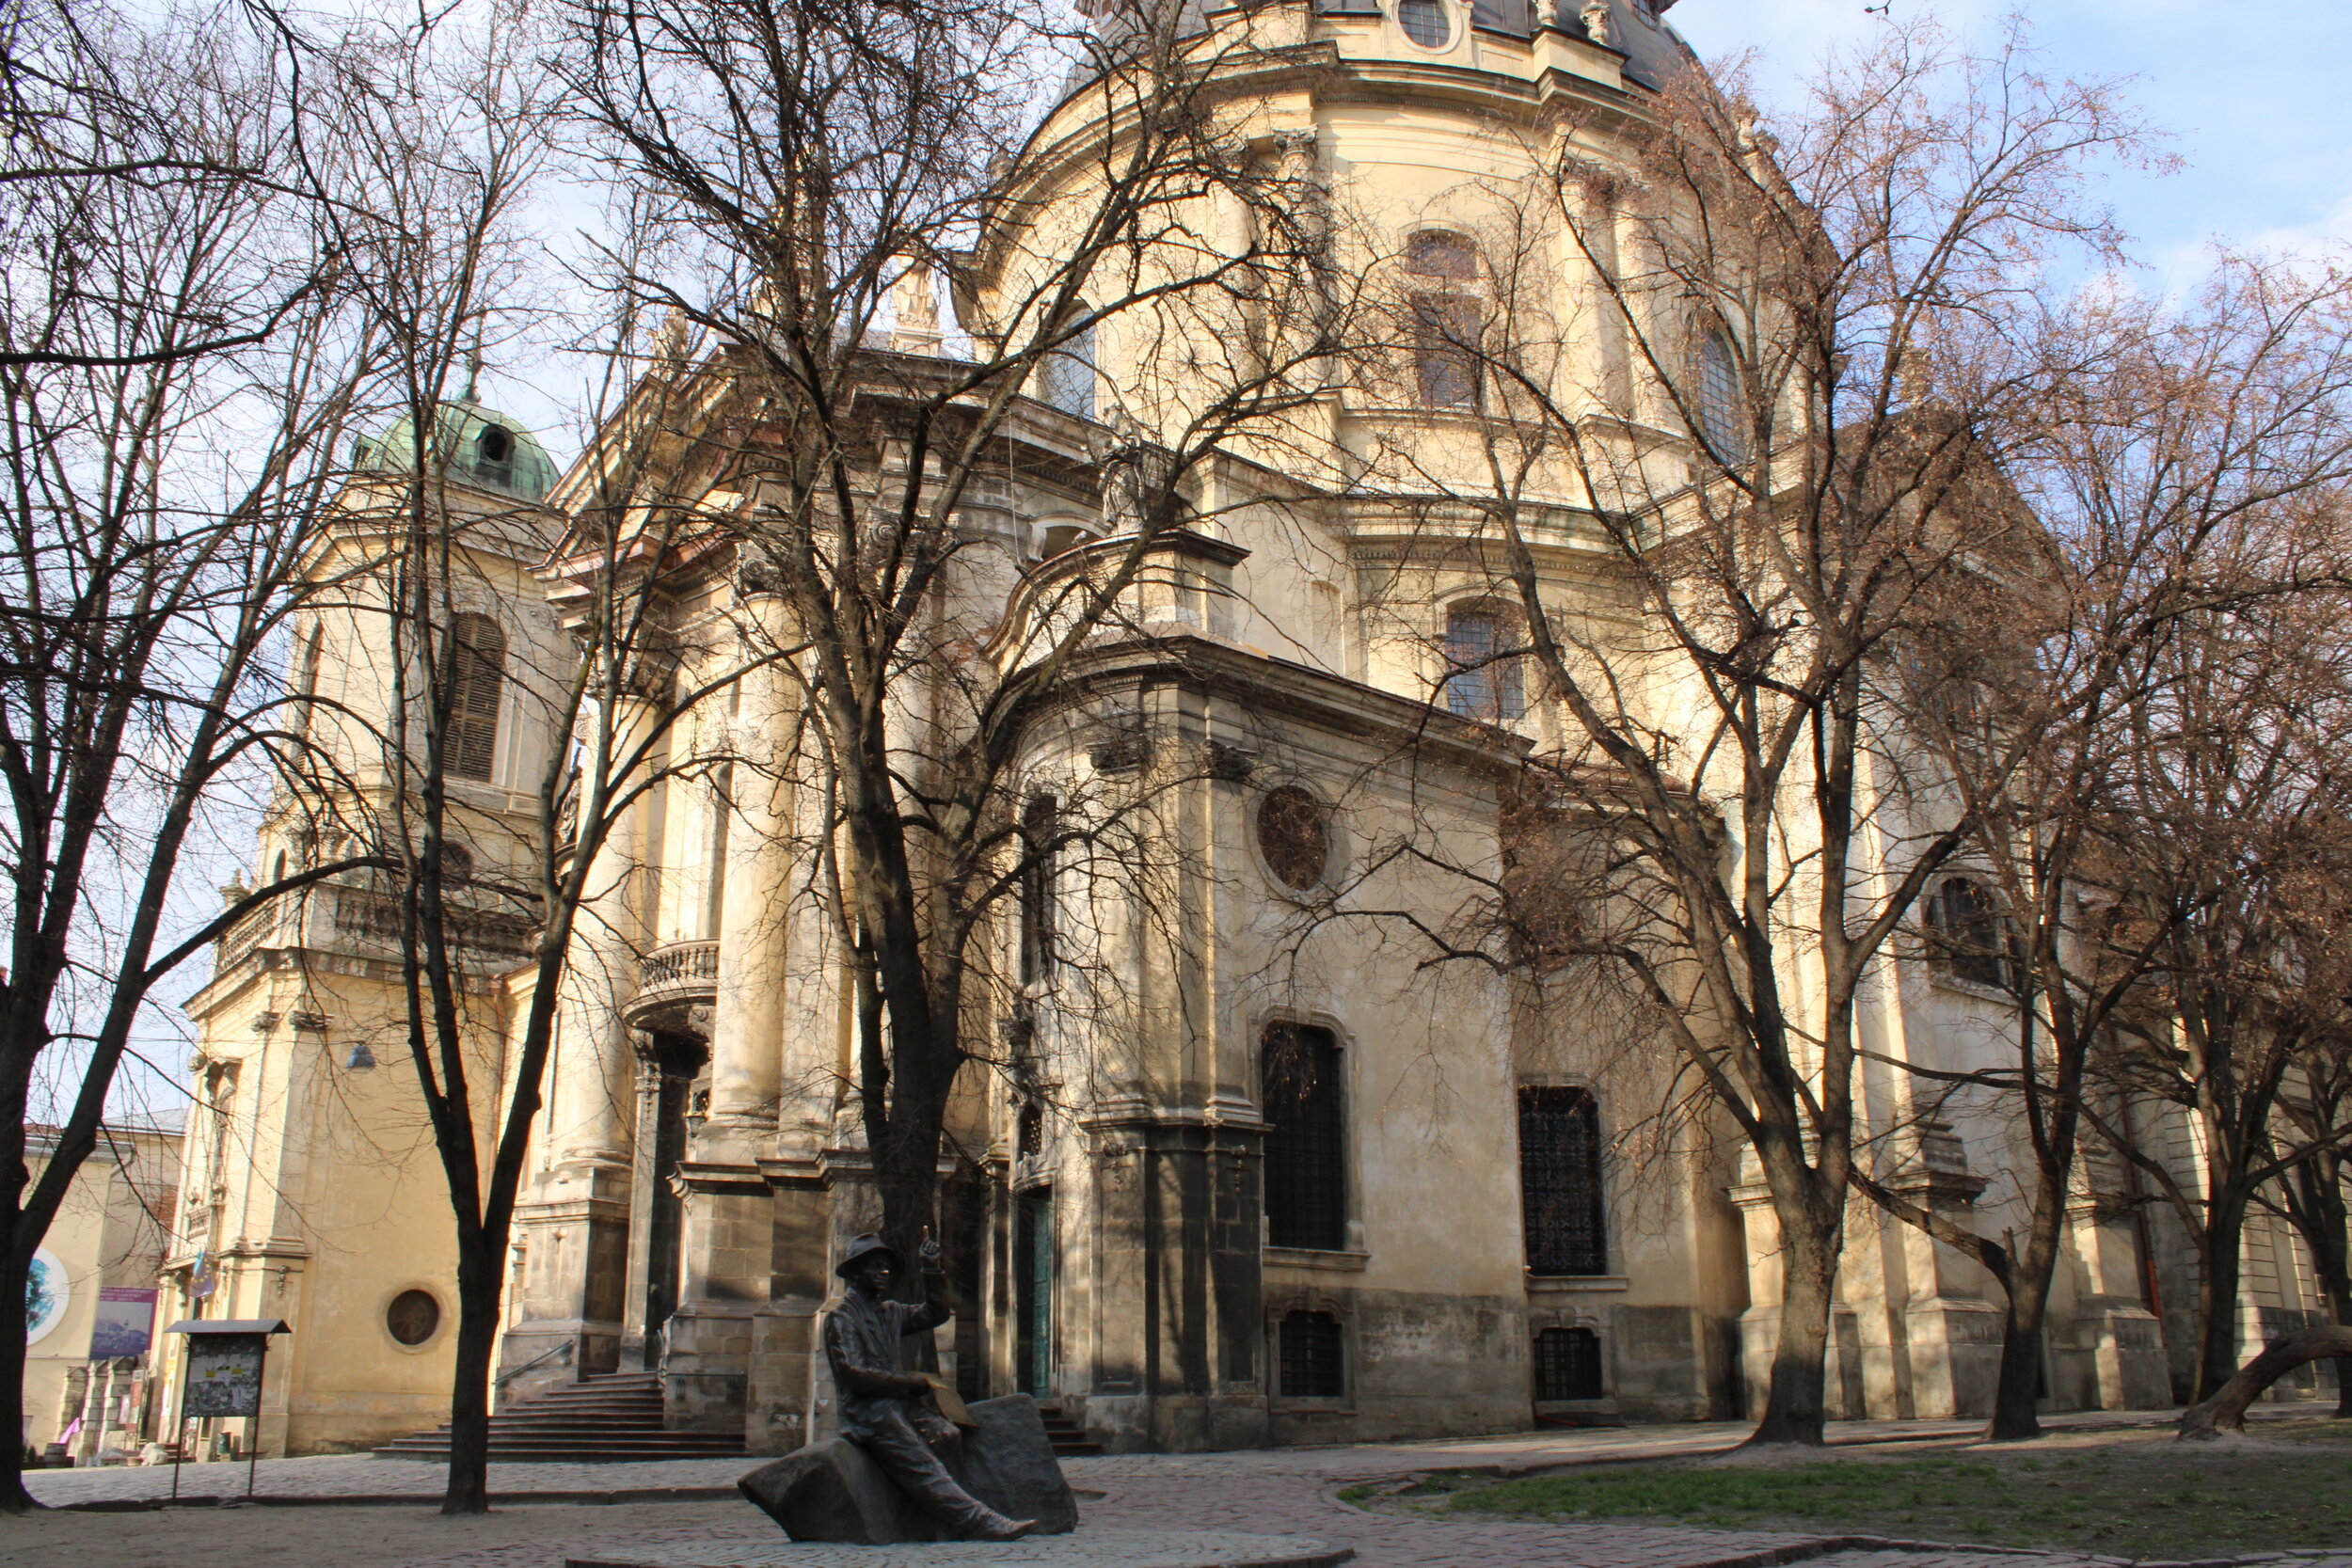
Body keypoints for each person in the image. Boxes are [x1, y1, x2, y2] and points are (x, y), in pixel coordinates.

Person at [824, 1229, 1035, 1541]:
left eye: (886, 1267)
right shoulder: (841, 1318)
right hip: (866, 1411)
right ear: (855, 1272)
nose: (883, 1273)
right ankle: (977, 1522)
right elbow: (854, 1374)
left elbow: (935, 1313)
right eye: (875, 1267)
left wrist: (931, 1269)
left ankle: (954, 1513)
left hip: (894, 1403)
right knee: (919, 1459)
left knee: (948, 1435)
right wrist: (910, 1382)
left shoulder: (891, 1312)